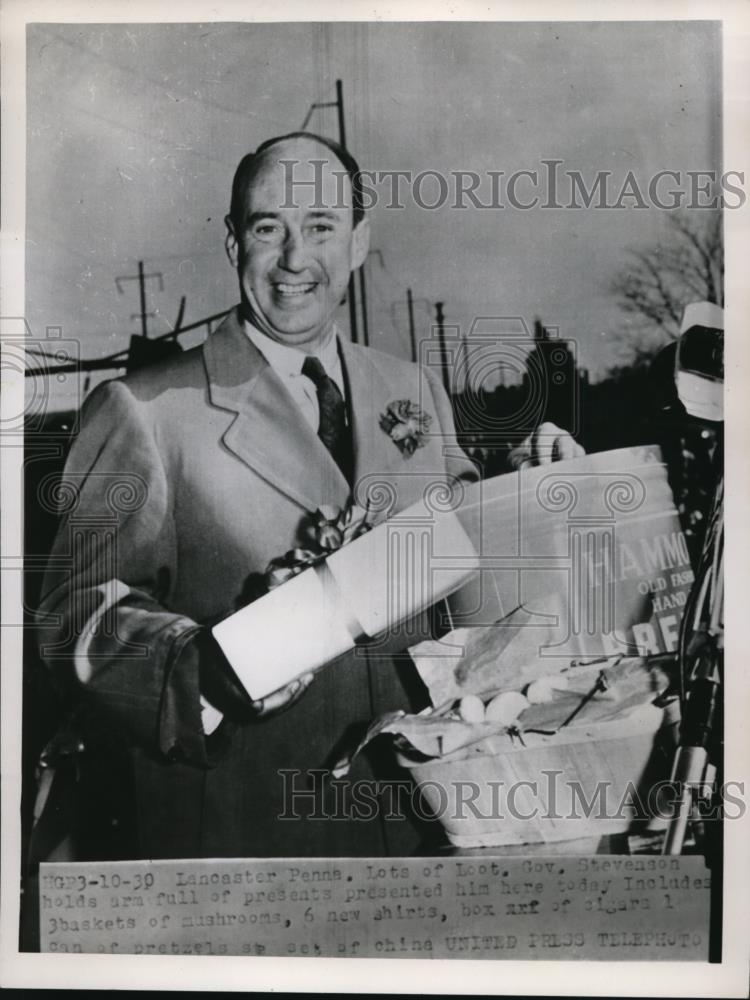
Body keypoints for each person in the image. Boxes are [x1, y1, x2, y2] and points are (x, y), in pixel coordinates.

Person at [36, 133, 582, 860]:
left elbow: (468, 591)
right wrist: (200, 668)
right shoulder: (144, 409)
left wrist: (537, 489)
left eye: (320, 227)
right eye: (269, 229)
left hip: (429, 828)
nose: (295, 259)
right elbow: (71, 618)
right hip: (251, 837)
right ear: (234, 245)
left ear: (358, 242)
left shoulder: (410, 388)